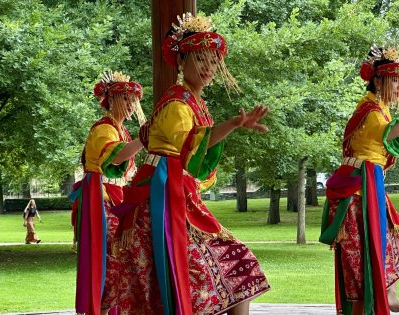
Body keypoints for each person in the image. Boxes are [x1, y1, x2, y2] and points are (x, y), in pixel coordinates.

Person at [113, 13, 270, 315]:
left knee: (235, 267)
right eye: (200, 59)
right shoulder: (176, 103)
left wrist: (232, 125)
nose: (209, 68)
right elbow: (191, 145)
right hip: (159, 201)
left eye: (213, 61)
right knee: (215, 268)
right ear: (182, 61)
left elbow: (197, 150)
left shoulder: (193, 102)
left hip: (177, 194)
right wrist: (234, 123)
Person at [319, 46, 399, 315]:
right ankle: (373, 301)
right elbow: (389, 134)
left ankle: (388, 292)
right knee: (362, 253)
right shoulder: (372, 110)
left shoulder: (380, 108)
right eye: (394, 80)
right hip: (356, 192)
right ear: (377, 80)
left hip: (368, 186)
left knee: (389, 239)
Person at [69, 71, 145, 315]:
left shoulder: (121, 131)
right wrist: (145, 139)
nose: (131, 105)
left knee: (124, 256)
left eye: (133, 100)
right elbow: (116, 156)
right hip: (101, 200)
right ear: (111, 99)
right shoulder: (104, 129)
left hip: (117, 198)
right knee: (113, 258)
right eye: (125, 99)